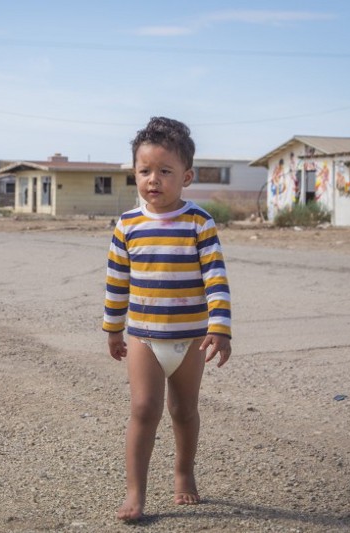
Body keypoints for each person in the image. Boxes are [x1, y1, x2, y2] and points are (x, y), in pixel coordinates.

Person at [102, 116, 232, 521]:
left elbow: (216, 279)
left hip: (191, 338)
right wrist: (112, 329)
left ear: (186, 176)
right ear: (134, 174)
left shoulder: (198, 222)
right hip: (143, 337)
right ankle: (135, 493)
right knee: (143, 409)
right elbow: (116, 282)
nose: (153, 180)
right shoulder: (127, 225)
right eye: (144, 171)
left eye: (164, 171)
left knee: (185, 411)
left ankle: (183, 473)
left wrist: (220, 329)